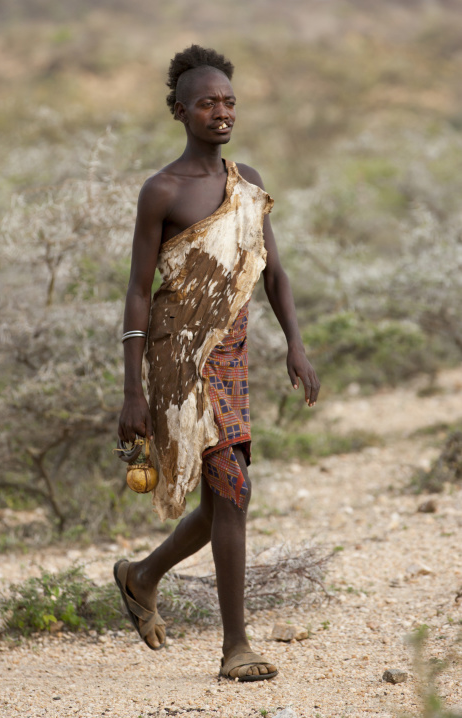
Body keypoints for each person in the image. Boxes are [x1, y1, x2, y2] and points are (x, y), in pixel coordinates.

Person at [114, 44, 320, 682]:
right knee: (229, 493)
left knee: (227, 496)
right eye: (207, 102)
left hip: (230, 358)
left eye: (229, 101)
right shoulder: (163, 191)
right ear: (180, 111)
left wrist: (295, 341)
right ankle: (229, 641)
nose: (221, 112)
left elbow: (273, 272)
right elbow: (139, 292)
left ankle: (145, 579)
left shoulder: (247, 182)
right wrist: (131, 392)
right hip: (176, 364)